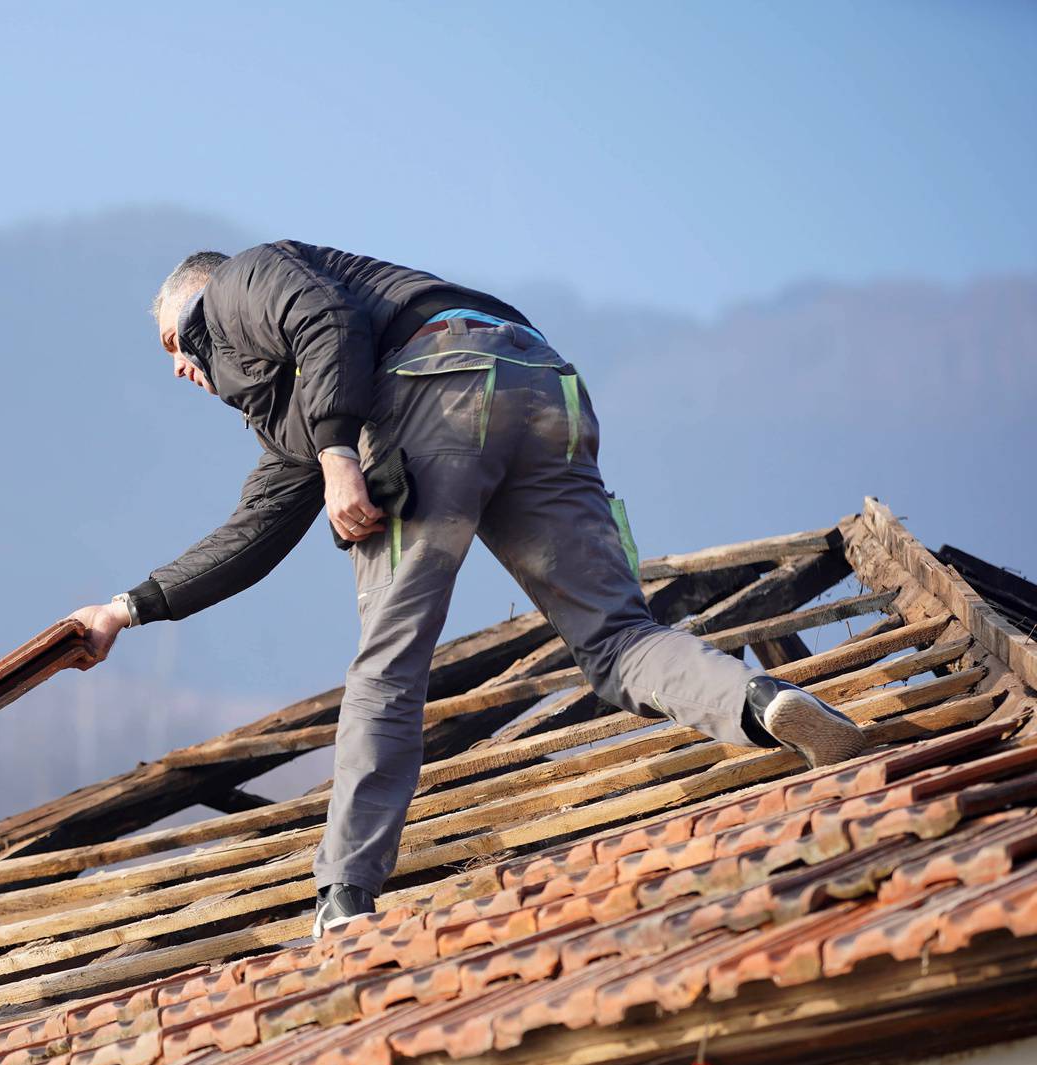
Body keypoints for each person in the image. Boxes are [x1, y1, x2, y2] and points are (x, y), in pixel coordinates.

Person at [67, 242, 864, 937]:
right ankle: (761, 705)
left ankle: (343, 898)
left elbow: (324, 320)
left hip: (433, 390)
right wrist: (125, 609)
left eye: (176, 344)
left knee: (390, 664)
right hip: (540, 383)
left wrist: (342, 454)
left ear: (198, 307)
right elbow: (256, 531)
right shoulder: (302, 410)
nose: (180, 367)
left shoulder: (243, 282)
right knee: (617, 641)